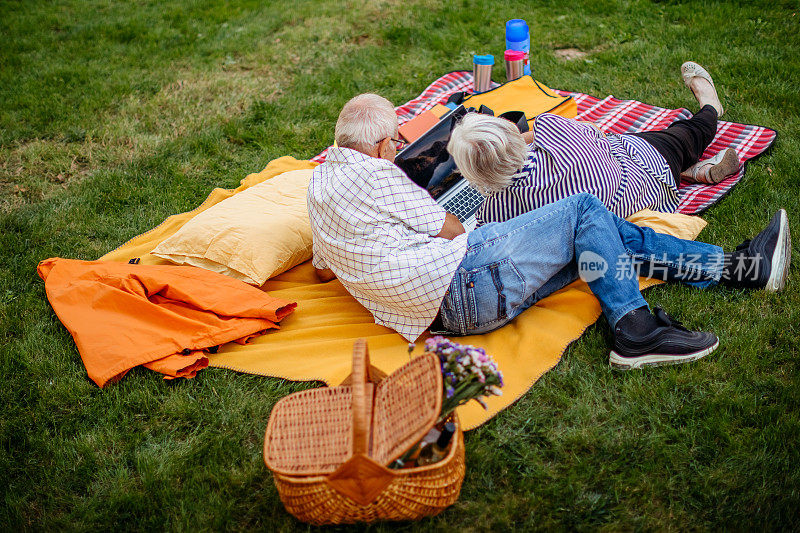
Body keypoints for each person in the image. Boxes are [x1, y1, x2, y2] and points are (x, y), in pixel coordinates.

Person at [307, 93, 790, 370]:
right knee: (583, 209)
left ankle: (739, 268)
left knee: (600, 233)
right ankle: (634, 331)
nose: (399, 149)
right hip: (465, 282)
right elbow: (454, 231)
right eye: (396, 141)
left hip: (449, 314)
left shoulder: (319, 185)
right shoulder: (379, 174)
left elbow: (324, 273)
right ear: (375, 146)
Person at [448, 62, 740, 226]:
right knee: (686, 133)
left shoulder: (494, 213)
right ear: (509, 131)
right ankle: (710, 107)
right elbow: (597, 132)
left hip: (622, 220)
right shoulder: (552, 130)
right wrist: (519, 137)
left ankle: (693, 173)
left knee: (634, 145)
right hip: (647, 177)